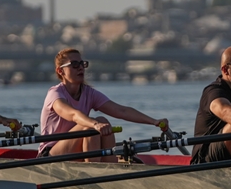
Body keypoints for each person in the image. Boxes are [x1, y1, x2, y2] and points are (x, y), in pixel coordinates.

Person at [39, 48, 172, 162]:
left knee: (103, 121)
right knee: (91, 127)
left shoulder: (89, 93)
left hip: (74, 151)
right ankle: (94, 174)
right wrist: (95, 124)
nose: (80, 67)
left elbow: (122, 111)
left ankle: (109, 170)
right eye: (74, 64)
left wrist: (154, 121)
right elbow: (73, 115)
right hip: (50, 154)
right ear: (60, 71)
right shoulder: (55, 94)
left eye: (82, 64)